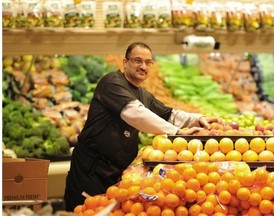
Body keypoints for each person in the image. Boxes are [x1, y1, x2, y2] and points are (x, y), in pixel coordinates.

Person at [64, 41, 221, 211]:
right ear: (125, 63)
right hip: (91, 170)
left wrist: (199, 119)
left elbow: (169, 114)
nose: (143, 66)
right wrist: (177, 132)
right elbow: (135, 113)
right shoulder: (112, 82)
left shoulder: (142, 94)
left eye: (148, 62)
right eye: (137, 61)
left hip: (116, 172)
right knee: (84, 211)